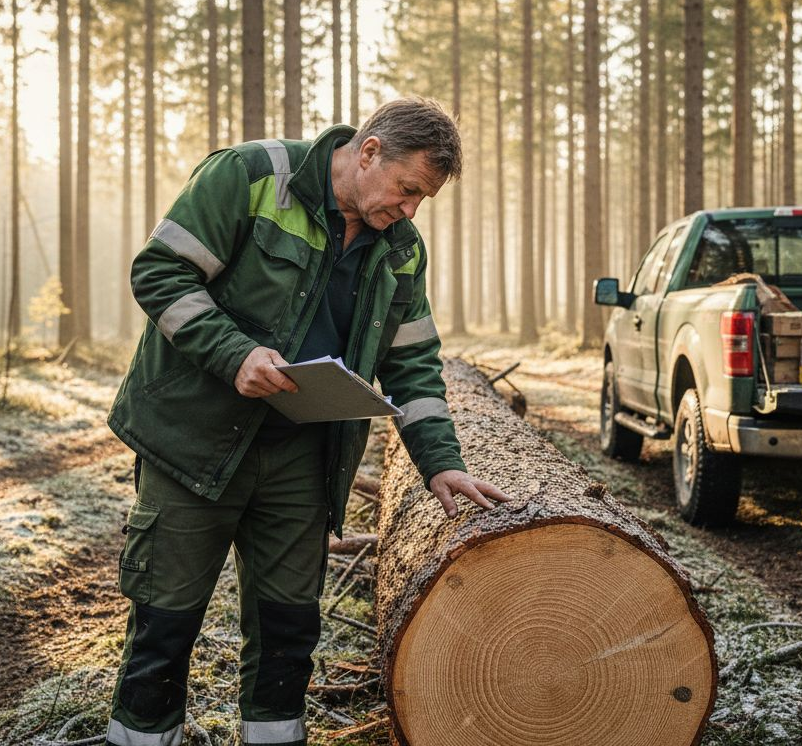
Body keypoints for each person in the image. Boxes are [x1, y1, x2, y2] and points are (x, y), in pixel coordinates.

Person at [104, 97, 510, 746]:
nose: (409, 211)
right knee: (164, 630)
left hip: (301, 462)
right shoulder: (251, 176)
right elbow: (160, 273)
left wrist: (441, 463)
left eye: (421, 200)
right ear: (369, 150)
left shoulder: (401, 249)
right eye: (407, 190)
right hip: (192, 448)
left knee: (289, 636)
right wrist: (233, 353)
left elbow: (413, 365)